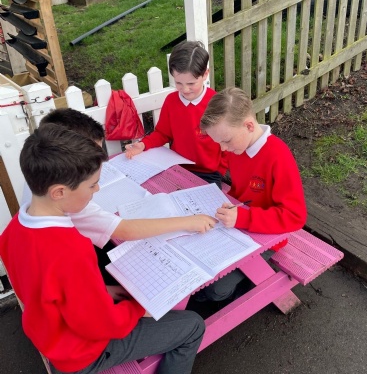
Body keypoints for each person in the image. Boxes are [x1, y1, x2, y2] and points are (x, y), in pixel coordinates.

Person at [0, 124, 205, 374]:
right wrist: (139, 308)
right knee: (193, 326)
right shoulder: (70, 249)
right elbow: (101, 325)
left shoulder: (13, 229)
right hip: (81, 353)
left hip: (49, 333)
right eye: (91, 185)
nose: (97, 190)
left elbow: (47, 289)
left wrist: (104, 291)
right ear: (59, 192)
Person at [37, 108, 217, 299]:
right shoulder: (70, 203)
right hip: (84, 289)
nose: (99, 164)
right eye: (92, 159)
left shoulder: (44, 179)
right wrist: (188, 221)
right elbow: (126, 230)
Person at [196, 87, 307, 302]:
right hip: (236, 226)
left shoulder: (278, 156)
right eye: (218, 142)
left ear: (248, 126)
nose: (223, 149)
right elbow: (241, 192)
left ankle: (253, 287)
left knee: (215, 291)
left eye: (226, 141)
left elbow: (295, 217)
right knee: (200, 276)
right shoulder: (238, 146)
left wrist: (244, 218)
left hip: (268, 237)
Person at [125, 40, 227, 188]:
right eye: (178, 83)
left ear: (205, 74)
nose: (185, 89)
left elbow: (227, 140)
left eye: (191, 83)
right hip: (177, 167)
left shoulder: (216, 103)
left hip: (209, 173)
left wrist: (221, 170)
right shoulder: (171, 101)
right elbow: (162, 133)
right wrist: (143, 144)